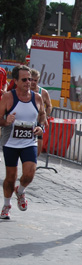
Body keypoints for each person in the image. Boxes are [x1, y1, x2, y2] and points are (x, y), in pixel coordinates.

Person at [0, 65, 45, 220]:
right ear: (16, 81)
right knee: (10, 177)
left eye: (31, 79)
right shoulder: (7, 97)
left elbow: (42, 117)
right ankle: (6, 204)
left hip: (29, 142)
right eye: (24, 79)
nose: (29, 82)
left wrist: (40, 127)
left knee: (30, 173)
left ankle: (20, 191)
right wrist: (6, 120)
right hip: (10, 142)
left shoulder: (37, 98)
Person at [30, 68, 52, 157]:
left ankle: (34, 160)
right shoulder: (24, 91)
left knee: (38, 145)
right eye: (31, 79)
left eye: (35, 80)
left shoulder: (43, 92)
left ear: (38, 80)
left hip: (38, 121)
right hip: (26, 121)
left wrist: (45, 117)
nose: (33, 82)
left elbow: (49, 105)